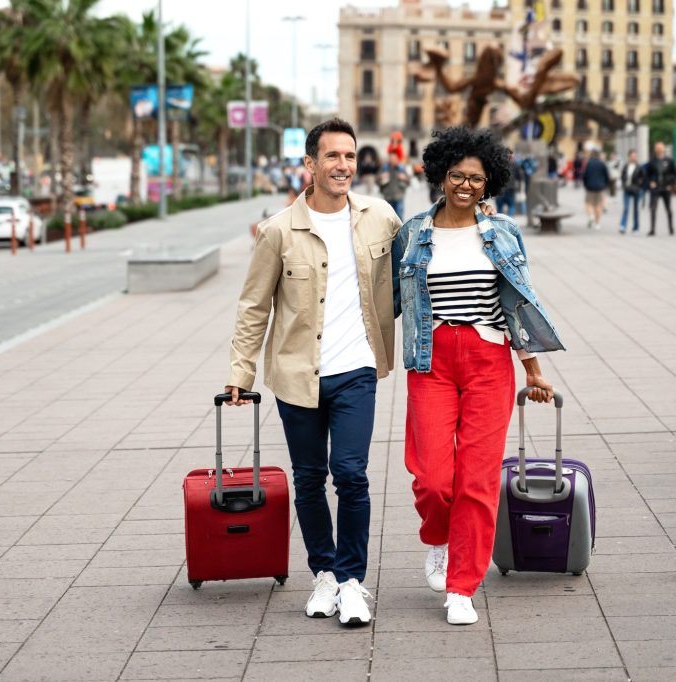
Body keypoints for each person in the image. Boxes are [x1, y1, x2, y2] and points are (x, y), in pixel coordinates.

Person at [225, 118, 402, 627]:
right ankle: (323, 573)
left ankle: (351, 581)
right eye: (332, 157)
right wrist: (241, 373)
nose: (343, 165)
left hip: (357, 369)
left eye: (349, 156)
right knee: (308, 479)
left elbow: (424, 243)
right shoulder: (279, 230)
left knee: (351, 474)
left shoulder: (380, 217)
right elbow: (253, 305)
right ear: (310, 164)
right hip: (297, 373)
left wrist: (479, 212)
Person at [393, 126, 564, 626]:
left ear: (488, 184)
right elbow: (390, 304)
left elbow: (518, 303)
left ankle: (462, 585)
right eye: (457, 176)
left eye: (476, 178)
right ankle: (439, 540)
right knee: (432, 478)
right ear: (440, 176)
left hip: (489, 359)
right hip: (432, 360)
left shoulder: (502, 232)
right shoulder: (412, 233)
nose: (466, 185)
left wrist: (533, 370)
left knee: (477, 479)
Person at [645, 141, 676, 236]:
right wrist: (650, 182)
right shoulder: (652, 161)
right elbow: (647, 174)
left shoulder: (669, 161)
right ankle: (652, 229)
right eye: (657, 148)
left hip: (666, 187)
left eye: (660, 148)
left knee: (668, 209)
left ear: (663, 149)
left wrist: (671, 185)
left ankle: (671, 228)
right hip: (655, 188)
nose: (658, 150)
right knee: (653, 208)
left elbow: (674, 174)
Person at [581, 148, 610, 229]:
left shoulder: (588, 163)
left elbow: (585, 175)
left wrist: (585, 185)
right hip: (600, 187)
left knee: (588, 203)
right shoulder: (602, 164)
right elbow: (607, 175)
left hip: (590, 187)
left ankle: (591, 216)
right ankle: (597, 223)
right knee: (598, 205)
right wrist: (605, 185)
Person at [378, 152, 411, 220]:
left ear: (397, 159)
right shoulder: (384, 168)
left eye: (394, 158)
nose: (392, 160)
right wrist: (381, 176)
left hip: (399, 196)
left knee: (399, 216)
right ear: (389, 159)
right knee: (389, 217)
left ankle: (400, 230)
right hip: (388, 197)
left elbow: (409, 181)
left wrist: (404, 178)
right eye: (391, 158)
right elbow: (377, 180)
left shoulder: (401, 168)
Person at [619, 149, 644, 234]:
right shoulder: (625, 166)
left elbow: (643, 177)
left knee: (636, 209)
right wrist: (623, 185)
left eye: (635, 156)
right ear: (629, 157)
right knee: (626, 208)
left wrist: (640, 186)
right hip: (627, 189)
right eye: (632, 156)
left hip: (636, 189)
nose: (634, 158)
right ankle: (623, 226)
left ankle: (636, 227)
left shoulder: (639, 167)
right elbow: (622, 176)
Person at [495, 149, 523, 217]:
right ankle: (510, 223)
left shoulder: (498, 163)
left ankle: (500, 223)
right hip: (511, 188)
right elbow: (519, 176)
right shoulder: (514, 164)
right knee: (511, 206)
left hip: (500, 188)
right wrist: (519, 187)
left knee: (500, 208)